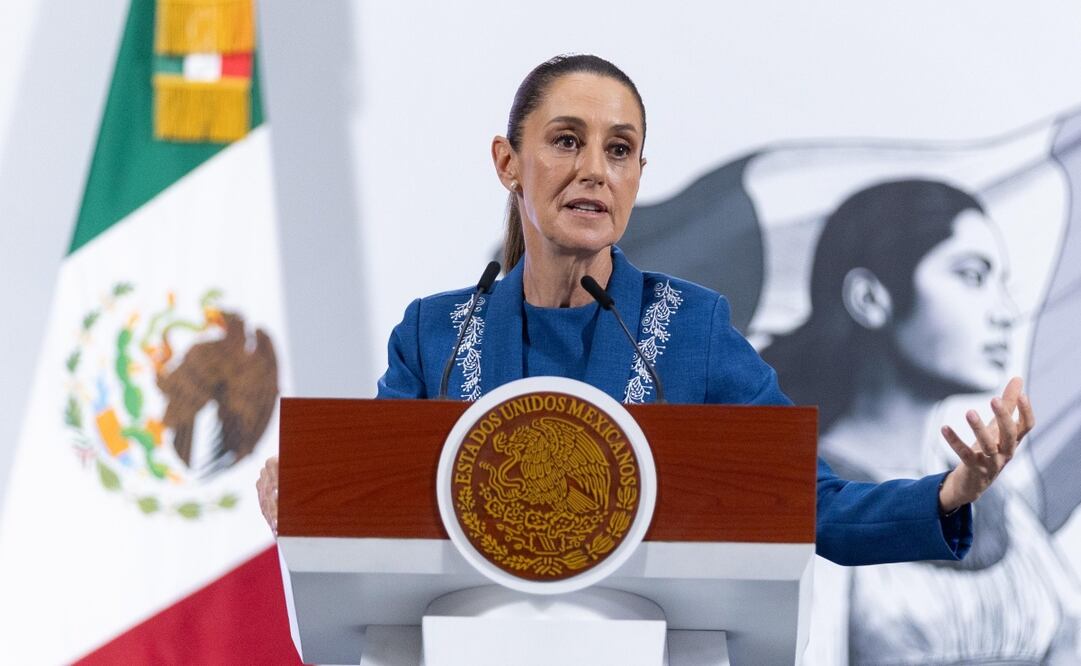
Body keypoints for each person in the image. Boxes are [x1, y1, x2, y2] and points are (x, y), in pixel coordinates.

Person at [257, 54, 1034, 569]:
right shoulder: (431, 335)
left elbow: (811, 506)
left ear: (636, 176)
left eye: (619, 149)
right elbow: (376, 523)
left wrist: (945, 494)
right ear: (507, 163)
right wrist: (308, 518)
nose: (594, 169)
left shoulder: (692, 330)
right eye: (566, 140)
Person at [761, 180, 1079, 663]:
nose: (1005, 313)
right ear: (871, 297)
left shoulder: (1000, 505)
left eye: (1001, 284)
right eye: (972, 276)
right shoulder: (801, 496)